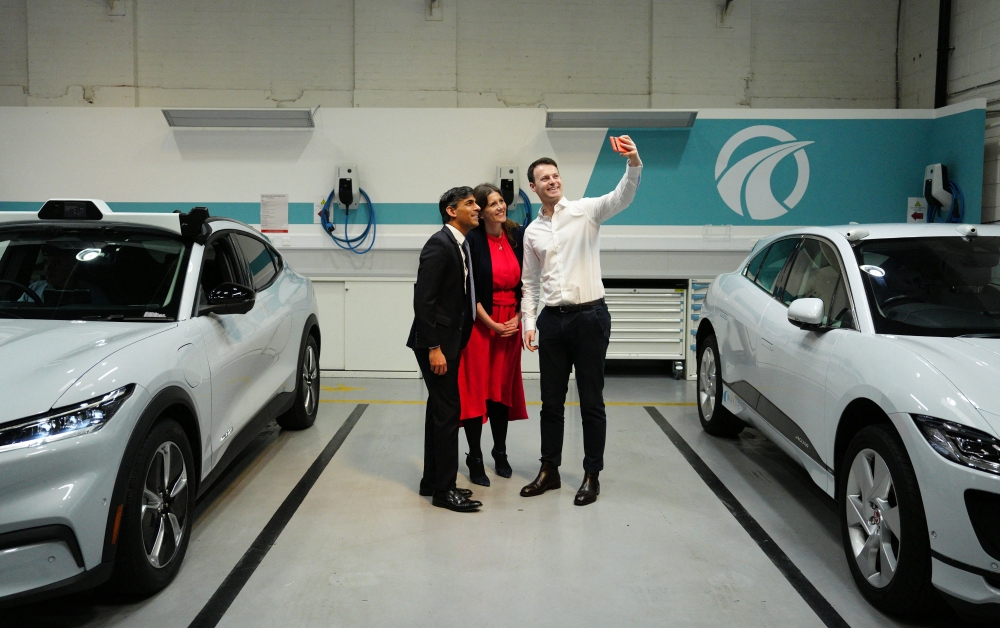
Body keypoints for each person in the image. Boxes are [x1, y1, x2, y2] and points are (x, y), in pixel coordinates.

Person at [519, 135, 643, 506]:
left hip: (590, 316)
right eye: (545, 178)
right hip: (552, 324)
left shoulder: (586, 211)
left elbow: (622, 196)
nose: (552, 181)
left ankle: (592, 475)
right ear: (533, 187)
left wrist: (633, 162)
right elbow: (528, 283)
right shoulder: (532, 232)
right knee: (550, 402)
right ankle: (549, 470)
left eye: (556, 176)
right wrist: (529, 323)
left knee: (591, 400)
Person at [406, 186, 484, 513]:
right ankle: (445, 490)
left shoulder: (460, 245)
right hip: (434, 343)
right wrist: (434, 347)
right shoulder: (439, 245)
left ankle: (432, 481)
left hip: (448, 341)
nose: (477, 208)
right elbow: (423, 300)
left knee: (439, 410)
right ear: (452, 211)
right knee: (449, 413)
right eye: (470, 204)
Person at [457, 183, 530, 486]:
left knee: (501, 392)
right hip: (482, 325)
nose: (500, 207)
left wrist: (517, 318)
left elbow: (527, 282)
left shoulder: (516, 236)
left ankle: (500, 452)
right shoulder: (472, 241)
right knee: (476, 393)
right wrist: (492, 324)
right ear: (481, 211)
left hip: (511, 323)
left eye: (502, 202)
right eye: (493, 204)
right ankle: (474, 457)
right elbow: (469, 290)